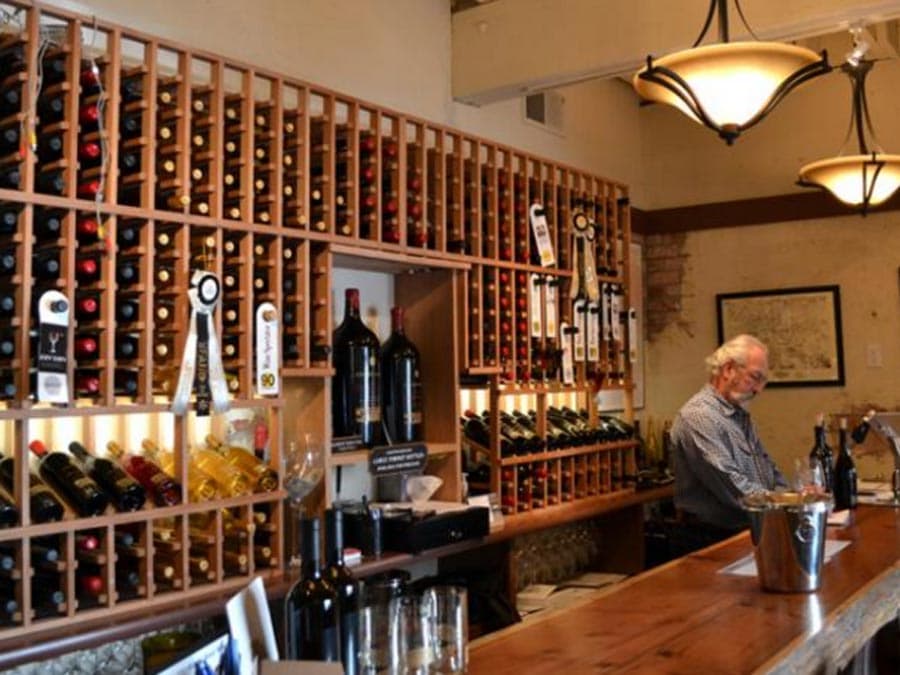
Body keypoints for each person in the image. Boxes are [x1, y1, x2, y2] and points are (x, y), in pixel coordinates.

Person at [669, 334, 787, 551]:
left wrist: (793, 496)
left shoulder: (739, 415)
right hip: (709, 539)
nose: (758, 389)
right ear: (728, 369)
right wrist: (789, 504)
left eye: (763, 382)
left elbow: (768, 470)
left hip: (745, 530)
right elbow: (732, 486)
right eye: (755, 377)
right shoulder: (699, 417)